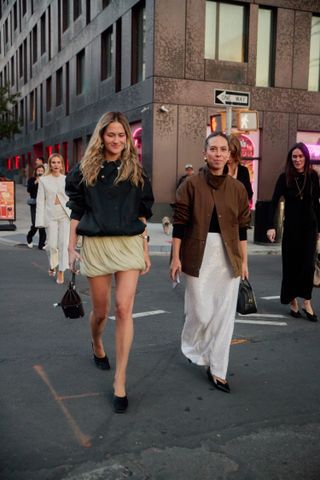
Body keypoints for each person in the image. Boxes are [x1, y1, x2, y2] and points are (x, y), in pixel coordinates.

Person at [65, 111, 154, 413]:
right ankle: (96, 342)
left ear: (127, 138)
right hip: (97, 245)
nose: (117, 140)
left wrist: (144, 248)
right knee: (101, 311)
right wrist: (70, 247)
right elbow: (76, 210)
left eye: (121, 135)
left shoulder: (136, 171)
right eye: (111, 134)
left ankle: (120, 378)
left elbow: (143, 213)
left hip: (129, 243)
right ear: (101, 136)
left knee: (124, 309)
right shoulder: (84, 170)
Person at [170, 132, 251, 393]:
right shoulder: (191, 184)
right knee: (201, 312)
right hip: (197, 254)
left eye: (222, 149)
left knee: (224, 317)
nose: (218, 154)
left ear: (229, 154)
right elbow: (180, 224)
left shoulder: (238, 188)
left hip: (229, 257)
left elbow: (242, 228)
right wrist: (175, 258)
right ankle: (195, 348)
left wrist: (244, 261)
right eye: (213, 149)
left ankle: (218, 370)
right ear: (205, 153)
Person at [266, 142, 320, 321]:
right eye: (294, 157)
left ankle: (307, 302)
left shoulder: (313, 176)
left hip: (309, 228)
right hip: (291, 228)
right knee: (291, 266)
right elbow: (274, 201)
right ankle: (293, 302)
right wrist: (271, 226)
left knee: (307, 266)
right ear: (291, 159)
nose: (297, 160)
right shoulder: (284, 177)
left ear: (306, 157)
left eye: (300, 156)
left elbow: (316, 204)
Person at [35, 153, 71, 285]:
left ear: (62, 165)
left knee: (63, 244)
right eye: (53, 162)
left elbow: (72, 197)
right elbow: (40, 201)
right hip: (50, 215)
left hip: (64, 215)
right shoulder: (44, 180)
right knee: (51, 245)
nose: (56, 165)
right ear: (49, 164)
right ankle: (53, 264)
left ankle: (61, 270)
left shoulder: (67, 179)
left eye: (58, 162)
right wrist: (39, 221)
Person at [26, 165, 47, 249]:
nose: (40, 172)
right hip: (34, 204)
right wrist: (36, 182)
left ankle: (41, 244)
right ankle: (29, 237)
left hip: (43, 204)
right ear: (36, 171)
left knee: (42, 224)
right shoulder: (31, 180)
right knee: (35, 223)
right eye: (39, 170)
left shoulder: (46, 180)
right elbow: (29, 190)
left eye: (42, 171)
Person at [228, 134, 253, 201]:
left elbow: (249, 194)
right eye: (227, 152)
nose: (229, 156)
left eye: (232, 153)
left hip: (238, 208)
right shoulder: (220, 168)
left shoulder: (243, 171)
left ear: (236, 153)